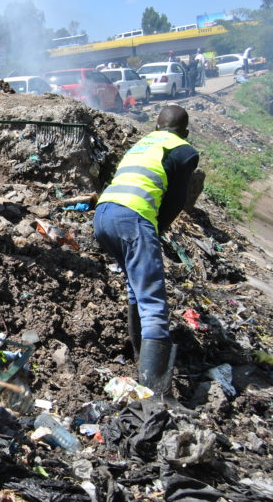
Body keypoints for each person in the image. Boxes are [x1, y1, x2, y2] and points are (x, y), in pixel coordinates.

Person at [93, 106, 199, 403]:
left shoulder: (143, 144)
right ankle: (153, 395)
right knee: (153, 301)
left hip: (104, 215)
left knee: (135, 287)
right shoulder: (183, 150)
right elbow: (177, 199)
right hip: (133, 218)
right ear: (185, 131)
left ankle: (141, 361)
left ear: (156, 124)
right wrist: (157, 229)